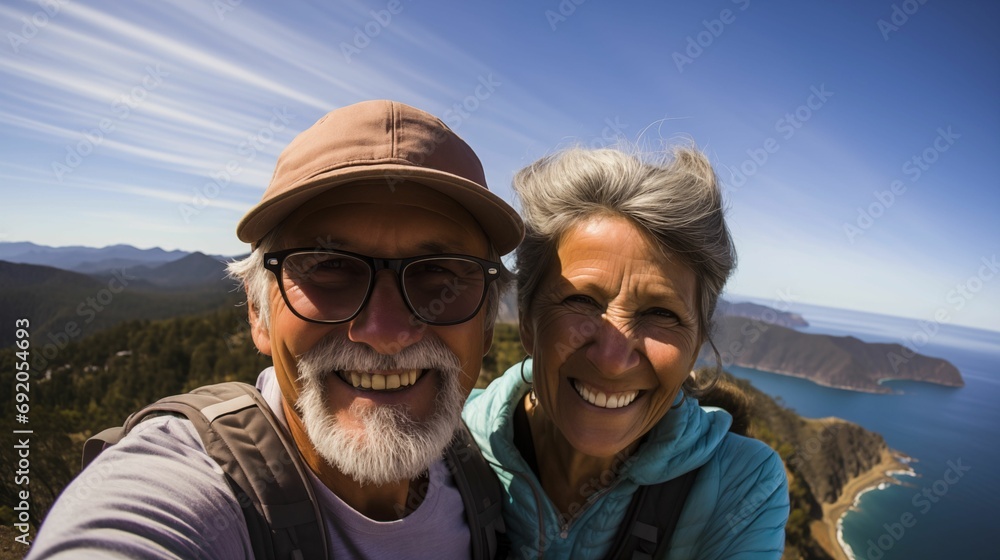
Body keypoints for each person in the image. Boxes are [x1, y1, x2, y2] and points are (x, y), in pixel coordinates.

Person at [28, 100, 524, 558]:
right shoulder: (189, 489)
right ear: (257, 313)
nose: (385, 331)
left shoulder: (486, 474)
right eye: (330, 265)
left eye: (441, 270)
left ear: (485, 325)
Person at [463, 145, 789, 559]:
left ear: (695, 349)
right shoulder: (448, 446)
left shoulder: (743, 485)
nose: (613, 359)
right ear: (527, 320)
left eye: (661, 313)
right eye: (581, 301)